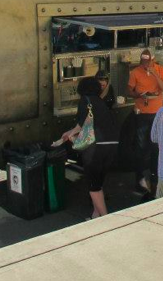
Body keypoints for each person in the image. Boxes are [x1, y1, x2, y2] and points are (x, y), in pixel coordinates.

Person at [59, 77, 119, 219]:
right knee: (98, 182)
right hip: (112, 144)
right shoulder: (100, 102)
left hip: (96, 147)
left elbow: (81, 125)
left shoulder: (84, 100)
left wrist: (68, 134)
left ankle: (105, 218)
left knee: (93, 185)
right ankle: (95, 214)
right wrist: (70, 133)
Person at [122, 49, 163, 194]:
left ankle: (155, 179)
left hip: (158, 114)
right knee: (141, 147)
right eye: (143, 62)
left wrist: (155, 74)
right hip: (141, 114)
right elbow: (128, 91)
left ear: (153, 61)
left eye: (148, 62)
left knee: (156, 146)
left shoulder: (161, 70)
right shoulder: (135, 72)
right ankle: (139, 179)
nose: (145, 65)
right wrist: (138, 95)